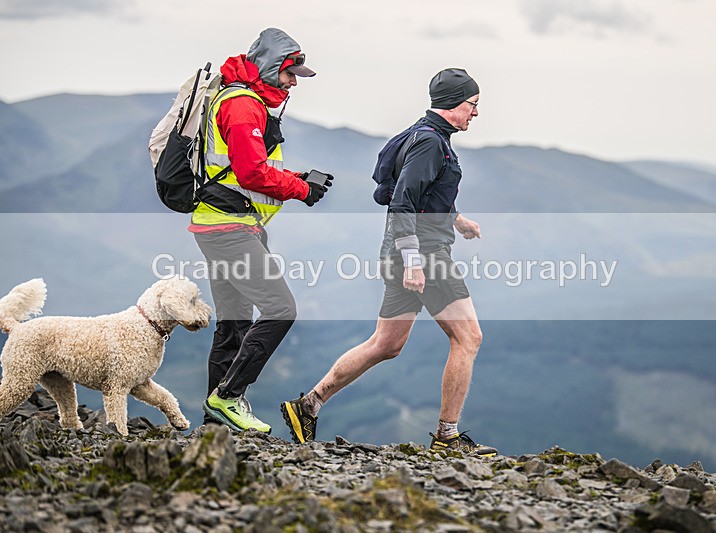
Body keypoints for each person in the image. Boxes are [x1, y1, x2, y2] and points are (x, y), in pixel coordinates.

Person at [281, 68, 497, 456]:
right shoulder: (431, 143)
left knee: (386, 343)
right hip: (424, 255)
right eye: (473, 105)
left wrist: (457, 219)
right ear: (453, 104)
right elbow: (402, 202)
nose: (476, 113)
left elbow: (414, 191)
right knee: (468, 338)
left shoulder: (421, 134)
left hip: (404, 252)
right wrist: (414, 261)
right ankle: (447, 437)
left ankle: (308, 405)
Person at [193, 28, 332, 433]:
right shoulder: (242, 105)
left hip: (219, 223)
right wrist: (301, 189)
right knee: (280, 309)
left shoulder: (241, 99)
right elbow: (252, 172)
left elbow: (240, 168)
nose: (293, 83)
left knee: (234, 321)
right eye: (291, 74)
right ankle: (227, 397)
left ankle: (213, 424)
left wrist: (296, 177)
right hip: (228, 228)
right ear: (272, 66)